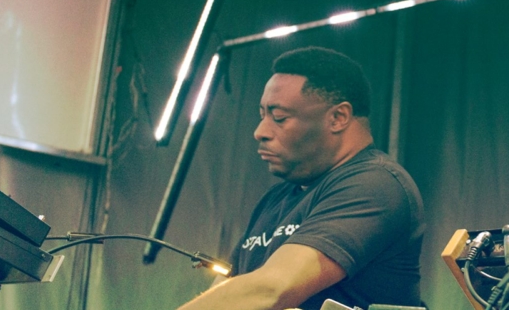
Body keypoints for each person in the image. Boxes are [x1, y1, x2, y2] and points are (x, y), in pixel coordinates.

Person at [179, 47, 426, 310]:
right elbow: (227, 293)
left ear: (338, 118)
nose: (260, 132)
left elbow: (271, 289)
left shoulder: (375, 185)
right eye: (262, 115)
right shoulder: (275, 199)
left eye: (279, 117)